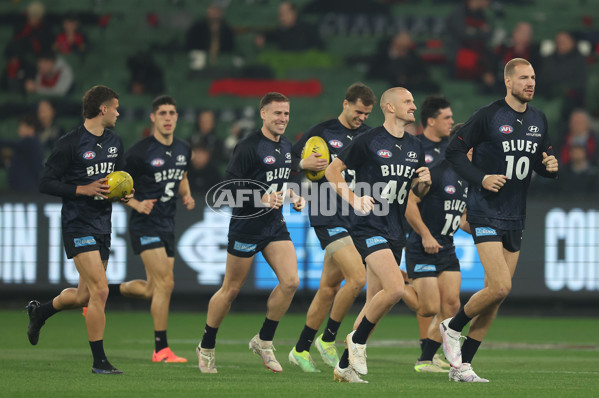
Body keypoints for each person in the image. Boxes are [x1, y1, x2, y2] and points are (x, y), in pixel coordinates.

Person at [442, 58, 558, 382]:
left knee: (496, 296)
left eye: (533, 77)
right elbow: (453, 152)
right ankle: (451, 327)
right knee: (500, 285)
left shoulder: (538, 118)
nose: (530, 83)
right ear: (508, 82)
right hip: (485, 209)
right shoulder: (488, 115)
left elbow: (537, 159)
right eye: (523, 77)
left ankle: (462, 366)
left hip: (515, 214)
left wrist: (549, 167)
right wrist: (480, 179)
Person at [325, 87, 431, 383]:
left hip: (396, 230)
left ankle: (344, 367)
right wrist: (353, 199)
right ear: (389, 107)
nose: (414, 105)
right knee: (396, 289)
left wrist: (424, 183)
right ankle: (357, 343)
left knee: (375, 302)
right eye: (408, 101)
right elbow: (332, 171)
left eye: (413, 100)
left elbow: (415, 192)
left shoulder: (415, 145)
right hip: (369, 225)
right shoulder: (367, 141)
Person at [197, 92, 305, 374]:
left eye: (286, 114)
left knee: (291, 282)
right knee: (230, 290)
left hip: (273, 224)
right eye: (277, 113)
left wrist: (293, 194)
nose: (283, 119)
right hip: (246, 225)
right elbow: (227, 189)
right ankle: (206, 346)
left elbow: (280, 183)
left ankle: (264, 340)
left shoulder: (286, 146)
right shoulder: (248, 147)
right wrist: (261, 199)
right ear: (263, 114)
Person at [26, 85, 131, 374]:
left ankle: (41, 312)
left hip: (103, 224)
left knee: (85, 295)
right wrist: (80, 189)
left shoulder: (114, 141)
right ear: (103, 109)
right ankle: (100, 362)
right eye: (116, 107)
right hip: (77, 223)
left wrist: (123, 194)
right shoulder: (69, 143)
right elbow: (46, 182)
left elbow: (120, 178)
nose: (119, 112)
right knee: (100, 290)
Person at [287, 83, 375, 372]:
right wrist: (302, 163)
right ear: (346, 103)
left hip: (354, 218)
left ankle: (300, 349)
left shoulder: (367, 135)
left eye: (366, 113)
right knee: (357, 278)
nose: (362, 117)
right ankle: (328, 339)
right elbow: (288, 161)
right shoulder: (322, 132)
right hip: (326, 214)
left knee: (328, 288)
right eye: (358, 111)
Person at [107, 95, 195, 363]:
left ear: (177, 117)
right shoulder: (138, 152)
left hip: (167, 223)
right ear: (153, 118)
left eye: (172, 113)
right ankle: (161, 349)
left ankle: (100, 292)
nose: (168, 118)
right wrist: (134, 203)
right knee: (166, 284)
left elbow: (182, 174)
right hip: (145, 223)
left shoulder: (183, 148)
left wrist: (187, 195)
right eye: (163, 113)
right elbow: (112, 183)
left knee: (151, 289)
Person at [405, 123, 469, 374]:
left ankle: (424, 360)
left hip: (447, 247)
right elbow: (409, 202)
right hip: (423, 248)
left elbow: (461, 218)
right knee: (429, 308)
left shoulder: (467, 177)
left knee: (452, 306)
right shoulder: (438, 171)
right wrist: (425, 235)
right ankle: (397, 285)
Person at [409, 95, 455, 369]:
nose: (451, 121)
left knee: (443, 301)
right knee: (425, 302)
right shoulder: (415, 147)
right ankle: (425, 350)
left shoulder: (451, 150)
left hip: (436, 229)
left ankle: (428, 352)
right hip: (407, 226)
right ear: (430, 121)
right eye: (446, 118)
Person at [0, 114, 44, 192]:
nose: (19, 129)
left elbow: (10, 143)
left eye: (22, 126)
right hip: (19, 189)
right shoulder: (25, 146)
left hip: (26, 189)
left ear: (31, 129)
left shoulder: (31, 142)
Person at [255, 1, 323, 51]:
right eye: (280, 14)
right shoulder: (279, 30)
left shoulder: (308, 28)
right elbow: (270, 36)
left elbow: (319, 47)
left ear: (293, 13)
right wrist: (263, 38)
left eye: (284, 14)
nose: (281, 18)